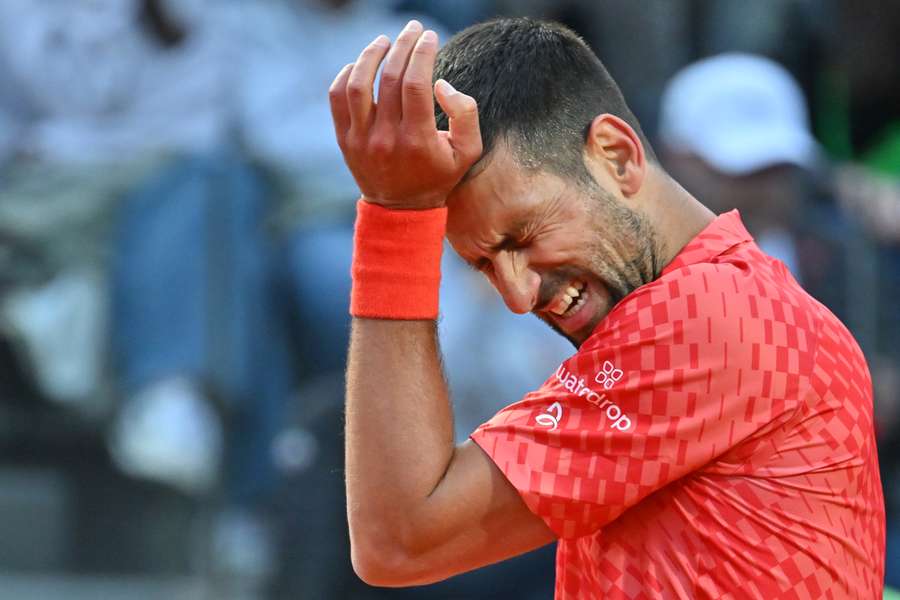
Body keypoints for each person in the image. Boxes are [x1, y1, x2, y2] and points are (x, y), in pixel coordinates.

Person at [329, 17, 885, 598]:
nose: (518, 297)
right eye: (486, 265)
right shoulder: (750, 305)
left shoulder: (704, 316)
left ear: (617, 156)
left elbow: (399, 539)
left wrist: (396, 218)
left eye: (521, 236)